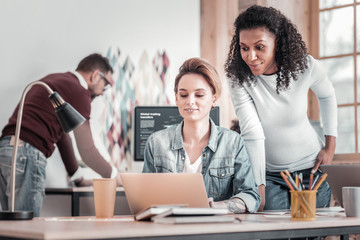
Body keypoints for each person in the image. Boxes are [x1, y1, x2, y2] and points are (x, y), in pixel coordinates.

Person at [225, 5, 337, 211]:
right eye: (244, 48)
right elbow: (251, 131)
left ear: (277, 43)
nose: (250, 56)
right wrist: (257, 186)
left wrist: (330, 147)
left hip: (311, 170)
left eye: (259, 47)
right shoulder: (238, 78)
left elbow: (327, 95)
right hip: (269, 175)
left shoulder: (305, 67)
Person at [0, 53, 120, 217]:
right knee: (27, 228)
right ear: (95, 75)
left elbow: (62, 136)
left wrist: (76, 177)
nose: (102, 93)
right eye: (105, 84)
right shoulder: (79, 92)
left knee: (12, 227)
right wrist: (115, 176)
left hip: (7, 152)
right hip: (27, 155)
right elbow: (87, 149)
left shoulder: (57, 80)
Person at [142, 57, 260, 213]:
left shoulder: (232, 142)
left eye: (199, 95)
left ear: (213, 99)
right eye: (184, 95)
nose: (190, 101)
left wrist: (218, 207)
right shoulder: (156, 142)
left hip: (215, 231)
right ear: (176, 98)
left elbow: (250, 195)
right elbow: (144, 196)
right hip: (168, 230)